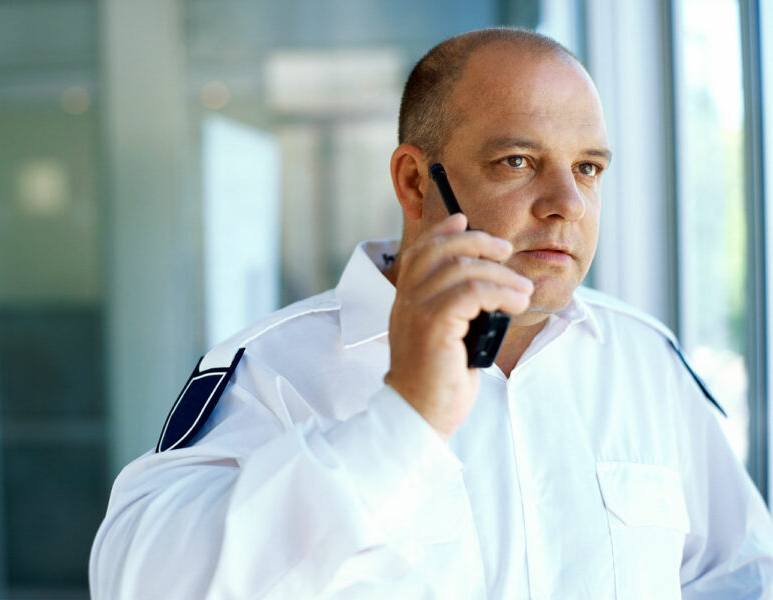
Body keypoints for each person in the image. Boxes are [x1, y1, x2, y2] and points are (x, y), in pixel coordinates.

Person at [90, 28, 773, 599]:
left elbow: (740, 570)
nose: (568, 202)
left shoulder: (646, 360)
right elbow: (140, 583)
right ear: (416, 183)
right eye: (518, 161)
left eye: (589, 168)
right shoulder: (271, 370)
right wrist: (402, 418)